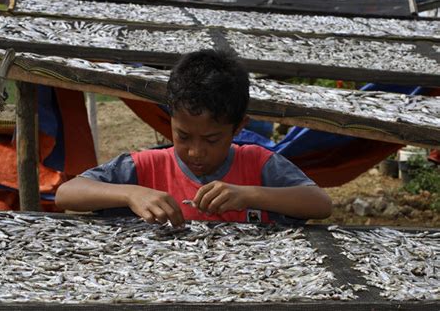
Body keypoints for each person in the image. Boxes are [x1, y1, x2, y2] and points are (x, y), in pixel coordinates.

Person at [55, 49, 332, 226]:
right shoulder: (144, 167)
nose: (196, 152)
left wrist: (248, 194)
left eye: (212, 140)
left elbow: (320, 204)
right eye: (183, 136)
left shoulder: (258, 164)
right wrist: (131, 193)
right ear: (170, 118)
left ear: (238, 128)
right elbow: (66, 194)